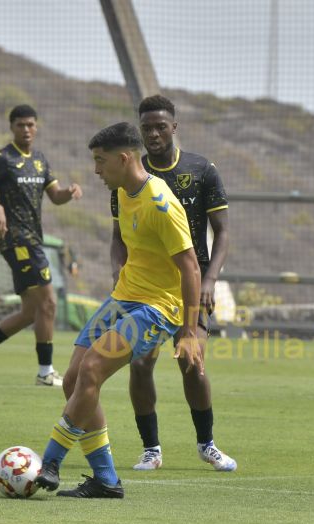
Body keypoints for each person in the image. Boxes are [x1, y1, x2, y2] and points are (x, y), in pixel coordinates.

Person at [34, 122, 202, 498]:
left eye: (100, 161)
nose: (96, 170)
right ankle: (106, 480)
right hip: (123, 298)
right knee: (73, 380)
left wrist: (189, 332)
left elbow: (190, 266)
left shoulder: (161, 203)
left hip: (157, 309)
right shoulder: (123, 193)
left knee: (93, 368)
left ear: (124, 158)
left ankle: (49, 462)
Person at [109, 94, 236, 472]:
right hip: (145, 290)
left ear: (174, 127)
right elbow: (117, 236)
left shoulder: (201, 170)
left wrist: (210, 278)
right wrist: (118, 270)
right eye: (146, 127)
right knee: (140, 364)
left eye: (160, 126)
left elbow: (224, 232)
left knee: (192, 364)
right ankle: (151, 449)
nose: (153, 134)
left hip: (190, 285)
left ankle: (207, 444)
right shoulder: (129, 174)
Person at [0, 104, 82, 385]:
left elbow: (55, 196)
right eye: (20, 125)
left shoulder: (40, 160)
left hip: (33, 240)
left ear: (36, 127)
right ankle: (45, 373)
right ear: (12, 127)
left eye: (30, 125)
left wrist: (70, 191)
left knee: (30, 312)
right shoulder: (2, 159)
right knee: (49, 302)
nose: (26, 130)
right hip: (16, 240)